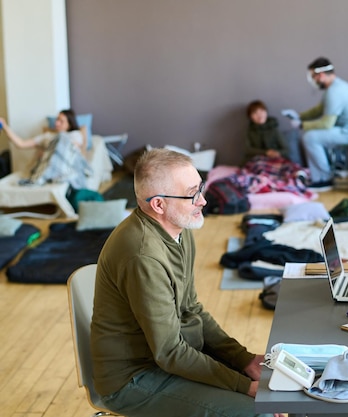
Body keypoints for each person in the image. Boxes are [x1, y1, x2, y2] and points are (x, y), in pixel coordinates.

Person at [90, 148, 276, 417]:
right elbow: (169, 352)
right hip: (134, 379)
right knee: (261, 412)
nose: (202, 201)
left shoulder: (179, 229)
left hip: (168, 358)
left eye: (200, 188)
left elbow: (192, 309)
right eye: (192, 194)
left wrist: (243, 359)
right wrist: (243, 385)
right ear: (158, 205)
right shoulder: (143, 257)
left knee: (279, 393)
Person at [283, 57, 348, 191]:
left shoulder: (335, 92)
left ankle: (324, 179)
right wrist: (300, 116)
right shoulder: (334, 88)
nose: (314, 81)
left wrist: (302, 125)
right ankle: (320, 176)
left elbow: (326, 124)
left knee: (310, 137)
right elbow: (319, 110)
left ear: (321, 75)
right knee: (311, 135)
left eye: (313, 76)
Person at [244, 99, 310, 192]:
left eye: (262, 111)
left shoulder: (274, 129)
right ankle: (267, 182)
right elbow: (248, 149)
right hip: (259, 160)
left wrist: (276, 153)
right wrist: (265, 152)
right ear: (250, 117)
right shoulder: (250, 131)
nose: (260, 115)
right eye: (255, 113)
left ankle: (297, 178)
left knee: (289, 167)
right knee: (258, 166)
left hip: (276, 160)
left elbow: (286, 149)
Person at [0, 109, 85, 153]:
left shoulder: (75, 135)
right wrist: (5, 126)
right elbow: (21, 144)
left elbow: (73, 149)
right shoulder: (47, 136)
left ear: (69, 124)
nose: (57, 123)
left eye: (61, 121)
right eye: (57, 120)